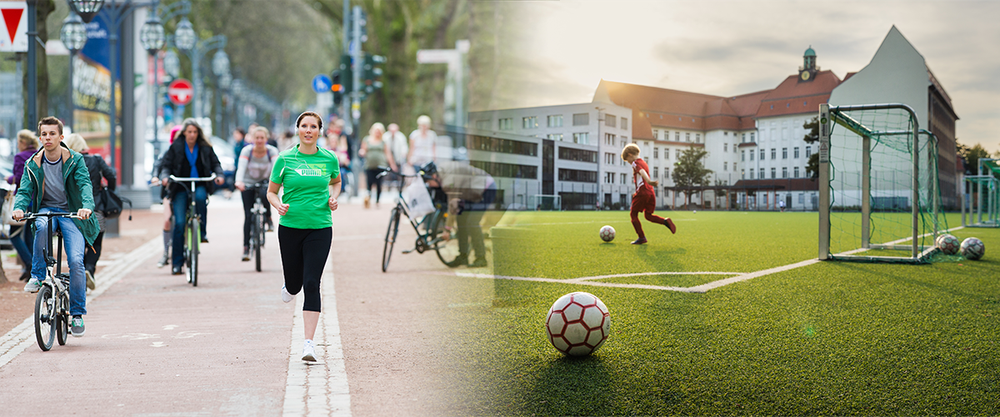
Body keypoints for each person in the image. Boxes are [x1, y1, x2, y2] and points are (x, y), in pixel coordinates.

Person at [12, 116, 99, 337]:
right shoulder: (33, 163)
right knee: (40, 225)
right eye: (44, 134)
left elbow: (85, 184)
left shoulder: (75, 159)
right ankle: (38, 275)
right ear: (39, 137)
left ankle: (77, 315)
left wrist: (86, 206)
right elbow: (24, 191)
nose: (48, 138)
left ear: (61, 137)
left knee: (77, 261)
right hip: (46, 210)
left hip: (72, 212)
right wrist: (20, 208)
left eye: (52, 134)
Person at [266, 111, 341, 362]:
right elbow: (272, 192)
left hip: (320, 226)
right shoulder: (285, 159)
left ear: (320, 131)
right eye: (304, 126)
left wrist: (334, 197)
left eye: (313, 126)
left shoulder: (329, 158)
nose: (309, 130)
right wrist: (278, 206)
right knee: (296, 285)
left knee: (311, 282)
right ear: (298, 129)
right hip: (290, 227)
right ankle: (289, 285)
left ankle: (308, 344)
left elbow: (337, 182)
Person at [158, 118, 225, 276]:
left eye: (195, 132)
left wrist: (219, 175)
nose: (192, 135)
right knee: (179, 223)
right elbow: (166, 165)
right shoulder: (176, 146)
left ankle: (201, 232)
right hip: (180, 185)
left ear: (198, 133)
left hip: (200, 183)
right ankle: (177, 263)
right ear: (184, 133)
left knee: (201, 198)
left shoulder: (205, 147)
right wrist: (166, 176)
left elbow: (216, 164)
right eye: (189, 132)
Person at [63, 134, 115, 290]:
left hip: (73, 211)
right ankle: (89, 269)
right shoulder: (96, 160)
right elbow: (111, 176)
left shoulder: (68, 161)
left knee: (78, 242)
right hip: (96, 208)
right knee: (96, 243)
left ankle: (80, 275)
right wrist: (108, 191)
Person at [423, 161, 496, 268]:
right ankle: (463, 256)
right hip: (470, 192)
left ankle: (481, 258)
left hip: (486, 188)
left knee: (472, 222)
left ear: (434, 176)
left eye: (429, 182)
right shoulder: (442, 172)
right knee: (461, 220)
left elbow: (452, 207)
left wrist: (447, 229)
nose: (430, 185)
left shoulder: (448, 182)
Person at [235, 126, 279, 260]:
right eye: (257, 138)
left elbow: (277, 168)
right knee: (248, 215)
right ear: (252, 139)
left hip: (265, 181)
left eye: (262, 138)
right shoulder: (247, 151)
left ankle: (269, 217)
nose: (259, 140)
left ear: (266, 139)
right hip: (248, 183)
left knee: (266, 193)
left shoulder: (272, 151)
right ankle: (246, 248)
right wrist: (239, 181)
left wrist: (278, 182)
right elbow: (241, 167)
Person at [621, 143, 675, 244]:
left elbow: (641, 172)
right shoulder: (644, 162)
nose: (629, 163)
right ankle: (665, 221)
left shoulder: (635, 163)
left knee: (633, 214)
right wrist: (649, 184)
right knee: (648, 216)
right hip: (650, 192)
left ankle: (641, 237)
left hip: (642, 192)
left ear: (630, 155)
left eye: (627, 160)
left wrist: (649, 181)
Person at [6, 129, 38, 281]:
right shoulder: (38, 154)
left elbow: (19, 178)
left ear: (23, 143)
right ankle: (32, 267)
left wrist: (8, 178)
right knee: (30, 236)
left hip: (23, 201)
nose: (18, 145)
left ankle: (29, 263)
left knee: (13, 235)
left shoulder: (20, 157)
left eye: (19, 142)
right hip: (36, 200)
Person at [150, 125, 184, 268]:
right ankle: (166, 252)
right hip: (170, 191)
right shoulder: (168, 152)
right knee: (167, 220)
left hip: (185, 190)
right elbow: (159, 165)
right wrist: (155, 177)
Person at [358, 122, 397, 209]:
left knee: (379, 184)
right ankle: (368, 200)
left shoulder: (383, 141)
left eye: (379, 131)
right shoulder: (367, 139)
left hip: (380, 165)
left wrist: (392, 164)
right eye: (376, 131)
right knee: (369, 183)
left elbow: (388, 153)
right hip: (369, 165)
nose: (377, 133)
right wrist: (362, 152)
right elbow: (363, 149)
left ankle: (377, 201)